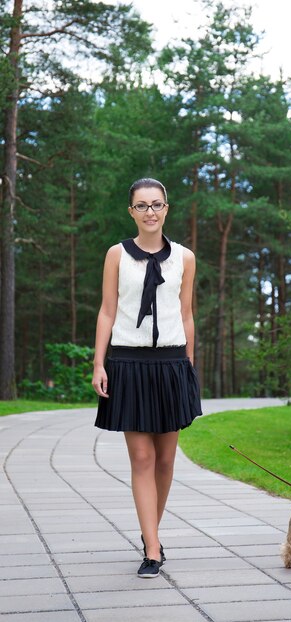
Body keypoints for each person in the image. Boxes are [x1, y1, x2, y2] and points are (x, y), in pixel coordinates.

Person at [92, 177, 202, 578]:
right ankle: (152, 548)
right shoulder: (116, 255)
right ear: (131, 212)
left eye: (157, 204)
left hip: (171, 364)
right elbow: (107, 310)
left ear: (167, 209)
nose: (150, 212)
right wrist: (98, 363)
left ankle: (149, 531)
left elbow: (186, 313)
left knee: (166, 459)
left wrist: (188, 363)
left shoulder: (185, 258)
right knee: (142, 457)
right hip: (128, 363)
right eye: (142, 206)